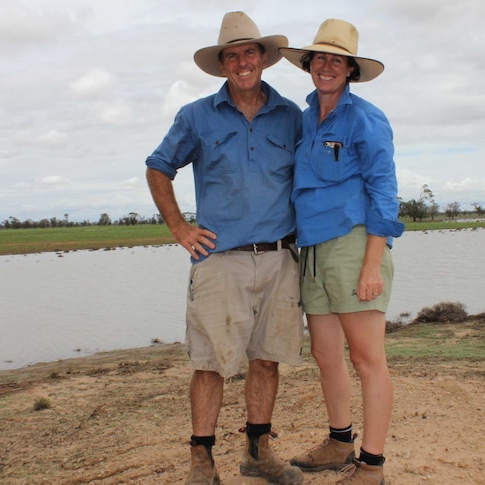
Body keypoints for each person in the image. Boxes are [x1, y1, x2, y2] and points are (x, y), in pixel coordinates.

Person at [145, 11, 305, 485]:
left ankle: (258, 453)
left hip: (280, 258)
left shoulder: (291, 115)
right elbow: (158, 167)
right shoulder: (196, 115)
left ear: (264, 59)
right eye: (231, 55)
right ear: (222, 65)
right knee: (209, 362)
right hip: (219, 261)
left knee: (267, 358)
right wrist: (179, 227)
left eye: (248, 53)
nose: (241, 62)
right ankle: (202, 461)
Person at [279, 19, 405, 485]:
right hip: (311, 250)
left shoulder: (365, 118)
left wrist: (373, 261)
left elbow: (385, 192)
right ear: (310, 66)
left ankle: (371, 466)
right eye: (320, 59)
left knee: (367, 358)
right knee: (326, 355)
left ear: (350, 69)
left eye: (337, 59)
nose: (326, 67)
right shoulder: (306, 117)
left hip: (354, 246)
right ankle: (338, 442)